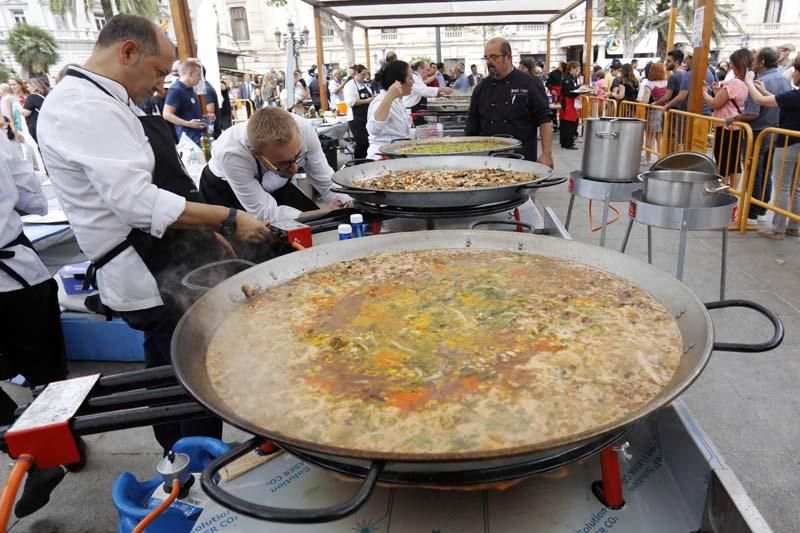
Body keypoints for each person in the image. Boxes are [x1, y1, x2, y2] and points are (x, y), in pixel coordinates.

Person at [37, 14, 271, 453]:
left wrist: (203, 232)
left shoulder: (104, 99)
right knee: (193, 373)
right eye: (159, 71)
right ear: (128, 52)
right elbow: (137, 203)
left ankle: (179, 460)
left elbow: (159, 186)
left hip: (162, 254)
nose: (161, 85)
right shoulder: (83, 107)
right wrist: (227, 217)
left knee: (171, 363)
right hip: (143, 266)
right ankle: (195, 469)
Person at [0, 131, 75, 518]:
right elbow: (32, 200)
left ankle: (40, 453)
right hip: (17, 278)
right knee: (46, 376)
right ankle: (61, 449)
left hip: (12, 273)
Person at [200, 107, 351, 226]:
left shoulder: (303, 129)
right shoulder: (232, 153)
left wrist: (348, 202)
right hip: (225, 191)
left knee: (316, 228)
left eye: (297, 157)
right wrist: (322, 213)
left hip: (274, 182)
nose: (294, 169)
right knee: (260, 247)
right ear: (257, 155)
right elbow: (264, 213)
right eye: (284, 163)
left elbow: (325, 181)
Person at [727, 47, 792, 221]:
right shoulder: (784, 79)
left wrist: (734, 118)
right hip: (776, 129)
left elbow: (753, 112)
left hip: (757, 131)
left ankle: (752, 209)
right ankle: (762, 205)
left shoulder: (758, 82)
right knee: (767, 170)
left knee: (754, 170)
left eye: (755, 60)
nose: (752, 63)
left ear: (762, 62)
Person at [466, 38, 553, 166]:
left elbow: (544, 120)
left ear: (508, 57)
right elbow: (472, 127)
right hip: (488, 161)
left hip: (522, 159)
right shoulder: (481, 88)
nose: (489, 62)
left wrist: (547, 154)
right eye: (486, 58)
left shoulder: (529, 83)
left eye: (494, 57)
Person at [744, 56, 800, 238]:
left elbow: (759, 100)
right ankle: (793, 225)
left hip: (788, 144)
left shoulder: (795, 96)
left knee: (783, 187)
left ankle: (777, 229)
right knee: (796, 187)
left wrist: (749, 82)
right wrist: (765, 90)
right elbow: (780, 101)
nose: (794, 74)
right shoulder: (793, 96)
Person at [704, 49, 751, 182]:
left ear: (736, 64)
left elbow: (714, 103)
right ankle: (733, 192)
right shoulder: (748, 83)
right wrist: (718, 92)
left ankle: (724, 191)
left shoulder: (733, 83)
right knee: (734, 163)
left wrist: (703, 93)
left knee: (723, 161)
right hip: (738, 126)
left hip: (725, 125)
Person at [366, 60, 413, 159]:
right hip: (381, 158)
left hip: (397, 153)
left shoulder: (398, 101)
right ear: (398, 81)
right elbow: (373, 128)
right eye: (410, 78)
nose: (413, 82)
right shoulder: (381, 101)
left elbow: (401, 132)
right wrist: (389, 96)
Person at [163, 59, 208, 145]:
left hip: (199, 137)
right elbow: (166, 114)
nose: (200, 78)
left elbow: (190, 113)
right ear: (190, 74)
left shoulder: (190, 90)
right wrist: (188, 124)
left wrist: (205, 118)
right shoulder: (176, 90)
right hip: (189, 140)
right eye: (198, 75)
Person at [638, 62, 668, 164]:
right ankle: (660, 158)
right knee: (659, 137)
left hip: (653, 112)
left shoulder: (649, 84)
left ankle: (648, 159)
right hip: (664, 111)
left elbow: (645, 101)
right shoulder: (666, 83)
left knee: (649, 136)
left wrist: (639, 103)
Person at [343, 64, 374, 159]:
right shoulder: (350, 85)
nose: (365, 77)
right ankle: (358, 163)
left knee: (367, 143)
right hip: (356, 119)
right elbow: (350, 102)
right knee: (361, 143)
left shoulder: (364, 85)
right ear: (356, 73)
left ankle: (365, 161)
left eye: (366, 75)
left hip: (365, 117)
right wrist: (367, 101)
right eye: (363, 74)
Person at [558, 61, 581, 150]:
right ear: (572, 68)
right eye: (577, 69)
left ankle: (567, 142)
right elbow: (568, 92)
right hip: (567, 102)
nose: (578, 71)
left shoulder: (573, 78)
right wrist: (579, 89)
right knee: (568, 123)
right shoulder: (567, 78)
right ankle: (567, 143)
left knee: (570, 122)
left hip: (571, 103)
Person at [21, 78, 48, 143]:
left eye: (28, 86)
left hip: (36, 125)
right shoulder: (46, 94)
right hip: (46, 124)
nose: (27, 89)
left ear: (34, 86)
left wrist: (19, 109)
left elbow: (26, 113)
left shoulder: (32, 97)